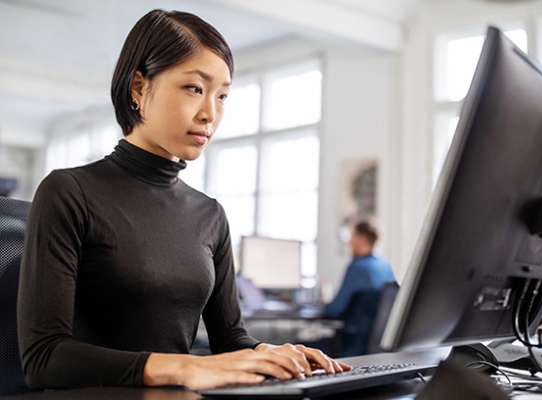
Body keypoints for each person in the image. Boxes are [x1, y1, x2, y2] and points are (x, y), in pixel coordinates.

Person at [17, 9, 349, 391]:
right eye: (194, 88)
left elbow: (230, 340)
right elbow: (44, 359)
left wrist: (269, 353)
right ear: (139, 88)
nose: (210, 113)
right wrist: (184, 368)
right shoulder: (69, 193)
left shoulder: (210, 214)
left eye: (222, 95)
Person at [325, 220, 396, 356]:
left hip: (352, 345)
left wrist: (324, 306)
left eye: (352, 236)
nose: (349, 242)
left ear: (361, 240)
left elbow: (334, 310)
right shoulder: (384, 264)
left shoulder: (357, 268)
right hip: (377, 344)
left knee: (298, 345)